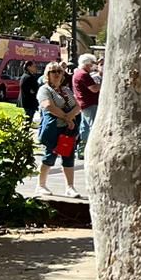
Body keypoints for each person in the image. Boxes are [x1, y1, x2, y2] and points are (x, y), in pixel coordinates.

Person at [35, 62, 83, 198]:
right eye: (53, 71)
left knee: (68, 156)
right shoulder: (44, 90)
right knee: (49, 155)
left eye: (59, 71)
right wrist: (67, 118)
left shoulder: (66, 90)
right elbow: (48, 106)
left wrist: (70, 117)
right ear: (47, 74)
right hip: (54, 128)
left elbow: (78, 104)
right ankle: (41, 185)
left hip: (68, 130)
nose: (56, 74)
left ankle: (70, 187)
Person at [72, 53, 101, 157]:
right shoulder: (83, 74)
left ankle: (81, 150)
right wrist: (102, 82)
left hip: (83, 104)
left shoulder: (77, 73)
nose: (94, 65)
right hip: (90, 103)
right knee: (92, 126)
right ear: (88, 63)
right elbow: (94, 89)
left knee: (84, 127)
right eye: (92, 63)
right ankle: (90, 149)